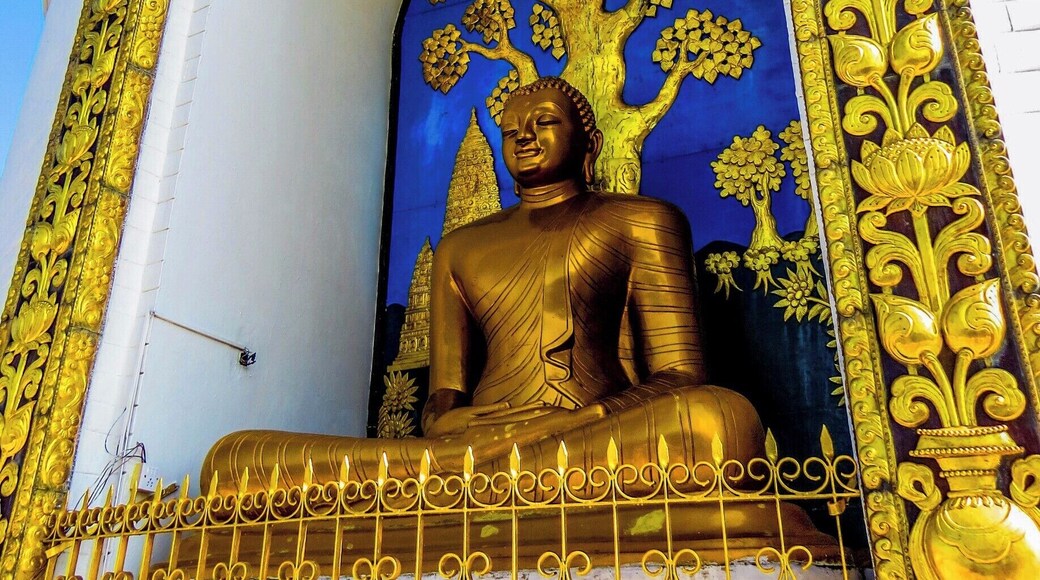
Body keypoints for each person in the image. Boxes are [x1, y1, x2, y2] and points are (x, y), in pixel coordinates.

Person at [201, 77, 764, 492]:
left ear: (588, 145)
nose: (524, 137)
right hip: (473, 449)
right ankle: (489, 478)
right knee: (237, 461)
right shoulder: (461, 247)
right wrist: (448, 420)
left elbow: (680, 376)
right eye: (511, 130)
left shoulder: (640, 220)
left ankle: (491, 480)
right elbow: (444, 396)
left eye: (544, 122)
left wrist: (582, 419)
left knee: (719, 420)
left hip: (590, 437)